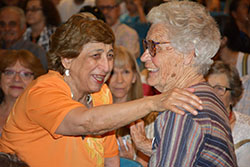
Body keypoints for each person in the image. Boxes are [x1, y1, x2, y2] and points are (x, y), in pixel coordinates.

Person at [0, 13, 202, 167]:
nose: (106, 67)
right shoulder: (43, 91)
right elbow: (87, 122)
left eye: (110, 55)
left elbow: (110, 159)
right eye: (96, 56)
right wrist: (154, 102)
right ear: (67, 59)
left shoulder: (101, 93)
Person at [130, 1, 237, 166]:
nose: (144, 57)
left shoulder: (183, 109)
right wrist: (147, 145)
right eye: (146, 45)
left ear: (187, 53)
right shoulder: (205, 95)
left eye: (153, 47)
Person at [207, 60, 250, 167]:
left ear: (233, 96)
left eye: (219, 89)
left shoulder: (246, 129)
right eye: (207, 87)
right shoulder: (191, 123)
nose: (212, 94)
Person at [107, 46, 143, 162]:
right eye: (113, 73)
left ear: (134, 77)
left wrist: (130, 161)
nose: (119, 80)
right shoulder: (94, 113)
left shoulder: (148, 118)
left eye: (125, 72)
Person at [0, 50, 46, 135]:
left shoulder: (43, 118)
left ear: (36, 80)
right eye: (9, 72)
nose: (16, 79)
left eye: (25, 74)